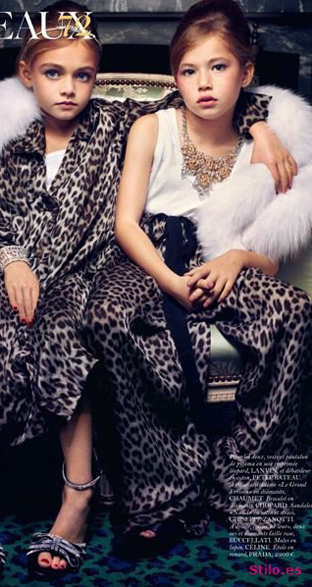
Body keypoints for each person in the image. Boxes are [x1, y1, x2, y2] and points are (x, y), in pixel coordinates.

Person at [0, 0, 298, 583]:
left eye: (83, 75)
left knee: (70, 332)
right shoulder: (14, 145)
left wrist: (261, 126)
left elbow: (196, 101)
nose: (68, 88)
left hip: (76, 278)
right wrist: (11, 261)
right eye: (53, 73)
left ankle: (78, 498)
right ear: (27, 74)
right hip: (2, 270)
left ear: (95, 78)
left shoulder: (117, 124)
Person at [84, 0, 311, 553]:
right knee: (108, 315)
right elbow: (125, 224)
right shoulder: (152, 127)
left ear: (246, 72)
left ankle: (249, 486)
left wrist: (235, 260)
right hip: (148, 257)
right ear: (175, 78)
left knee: (296, 312)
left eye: (218, 67)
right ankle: (159, 493)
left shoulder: (262, 149)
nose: (203, 83)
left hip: (222, 261)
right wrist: (168, 280)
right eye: (189, 70)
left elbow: (269, 257)